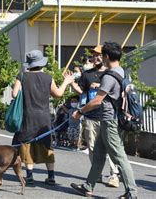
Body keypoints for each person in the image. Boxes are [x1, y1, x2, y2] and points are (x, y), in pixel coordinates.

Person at [71, 42, 137, 198]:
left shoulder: (109, 75)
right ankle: (88, 186)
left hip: (110, 121)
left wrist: (79, 112)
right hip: (113, 119)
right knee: (99, 155)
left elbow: (96, 101)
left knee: (119, 157)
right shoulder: (122, 71)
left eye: (102, 55)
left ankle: (131, 193)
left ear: (106, 57)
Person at [11, 50, 74, 186]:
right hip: (44, 116)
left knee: (27, 144)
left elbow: (14, 94)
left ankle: (29, 177)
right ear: (41, 63)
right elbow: (58, 94)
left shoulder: (21, 76)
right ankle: (51, 176)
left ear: (29, 64)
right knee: (46, 144)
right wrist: (66, 82)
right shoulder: (48, 78)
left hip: (28, 116)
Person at [70, 45, 120, 188]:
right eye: (94, 55)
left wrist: (99, 86)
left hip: (107, 116)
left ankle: (114, 175)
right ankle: (96, 174)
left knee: (111, 148)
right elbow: (81, 91)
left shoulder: (111, 74)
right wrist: (71, 82)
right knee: (92, 148)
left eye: (99, 55)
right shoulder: (87, 74)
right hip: (91, 116)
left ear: (105, 56)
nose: (96, 57)